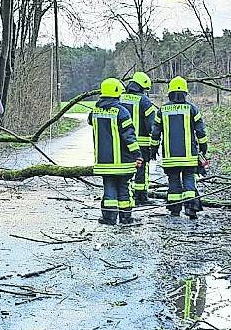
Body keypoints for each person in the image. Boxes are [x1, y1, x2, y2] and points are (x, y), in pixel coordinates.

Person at [151, 76, 207, 218]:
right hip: (188, 157)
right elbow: (200, 131)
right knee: (189, 179)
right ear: (185, 93)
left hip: (170, 157)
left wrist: (153, 149)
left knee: (174, 181)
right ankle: (191, 209)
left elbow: (155, 133)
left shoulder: (162, 110)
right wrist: (203, 147)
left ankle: (174, 209)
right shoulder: (192, 109)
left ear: (170, 93)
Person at [89, 77, 143, 225]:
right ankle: (126, 218)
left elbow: (89, 121)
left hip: (103, 161)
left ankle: (109, 218)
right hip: (122, 161)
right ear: (117, 92)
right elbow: (129, 136)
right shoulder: (122, 112)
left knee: (109, 188)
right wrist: (137, 154)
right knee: (124, 189)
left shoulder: (95, 111)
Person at [120, 71, 159, 205]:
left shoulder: (119, 97)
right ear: (141, 87)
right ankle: (141, 197)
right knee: (141, 169)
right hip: (141, 143)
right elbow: (152, 125)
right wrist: (155, 141)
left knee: (126, 168)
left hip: (122, 143)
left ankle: (126, 196)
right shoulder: (144, 100)